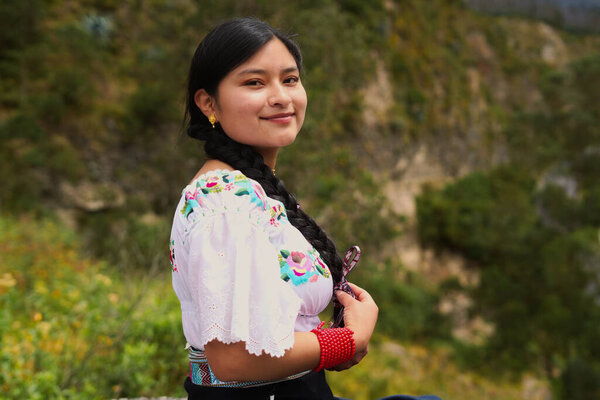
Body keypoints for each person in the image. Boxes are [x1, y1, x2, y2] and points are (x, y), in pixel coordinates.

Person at [169, 17, 441, 400]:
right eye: (254, 82)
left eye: (290, 79)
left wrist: (330, 342)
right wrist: (346, 340)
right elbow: (232, 361)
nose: (281, 96)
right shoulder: (224, 203)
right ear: (208, 103)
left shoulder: (254, 187)